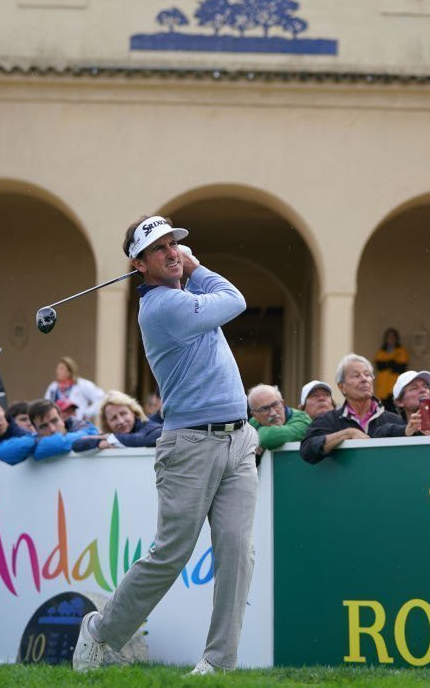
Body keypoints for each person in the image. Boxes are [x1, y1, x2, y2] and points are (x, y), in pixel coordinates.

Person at [73, 215, 257, 676]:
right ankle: (100, 631)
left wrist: (187, 272)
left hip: (239, 439)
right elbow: (235, 300)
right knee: (172, 553)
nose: (172, 251)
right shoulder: (161, 308)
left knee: (237, 551)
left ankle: (218, 662)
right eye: (159, 248)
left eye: (174, 244)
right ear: (140, 265)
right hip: (191, 444)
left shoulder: (182, 297)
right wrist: (195, 267)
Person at [300, 354, 404, 463]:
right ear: (342, 387)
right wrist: (348, 433)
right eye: (356, 376)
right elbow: (307, 450)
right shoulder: (329, 420)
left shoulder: (394, 419)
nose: (364, 379)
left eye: (367, 374)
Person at [0, 399, 99, 464]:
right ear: (36, 429)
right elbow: (4, 452)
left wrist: (39, 448)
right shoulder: (36, 439)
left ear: (62, 418)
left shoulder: (85, 428)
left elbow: (91, 435)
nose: (52, 429)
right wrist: (37, 443)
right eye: (43, 426)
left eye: (54, 421)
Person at [73, 391, 162, 452]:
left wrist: (110, 439)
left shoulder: (151, 427)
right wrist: (99, 443)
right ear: (107, 423)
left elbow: (144, 440)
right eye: (113, 418)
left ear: (133, 412)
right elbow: (77, 444)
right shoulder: (106, 437)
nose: (121, 421)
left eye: (123, 414)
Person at [246, 384, 311, 452]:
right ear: (254, 415)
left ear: (282, 403)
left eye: (275, 405)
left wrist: (256, 439)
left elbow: (268, 438)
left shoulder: (303, 419)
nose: (273, 413)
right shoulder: (252, 424)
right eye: (264, 409)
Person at [376, 370, 430, 437]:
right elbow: (378, 433)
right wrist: (405, 431)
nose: (423, 390)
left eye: (426, 386)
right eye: (414, 388)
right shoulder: (393, 425)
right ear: (399, 402)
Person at [44, 355, 106, 421]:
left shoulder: (82, 384)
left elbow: (101, 399)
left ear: (70, 371)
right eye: (57, 368)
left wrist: (86, 413)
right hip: (58, 424)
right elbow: (46, 405)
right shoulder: (53, 387)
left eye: (61, 368)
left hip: (77, 423)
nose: (58, 371)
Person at [373, 328, 409, 412]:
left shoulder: (401, 350)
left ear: (396, 338)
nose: (391, 339)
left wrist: (387, 363)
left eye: (393, 337)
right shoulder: (381, 351)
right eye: (389, 337)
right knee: (383, 411)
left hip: (394, 386)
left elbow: (401, 367)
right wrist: (392, 362)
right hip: (383, 388)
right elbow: (379, 365)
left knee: (395, 411)